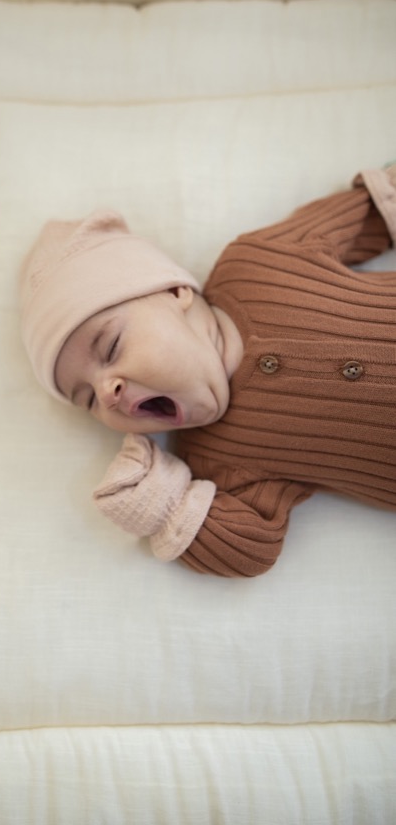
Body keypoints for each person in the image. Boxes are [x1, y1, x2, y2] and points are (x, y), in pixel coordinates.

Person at [20, 166, 396, 576]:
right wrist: (162, 503)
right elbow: (251, 548)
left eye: (110, 346)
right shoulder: (216, 464)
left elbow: (372, 212)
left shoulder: (258, 263)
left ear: (175, 292)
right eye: (88, 398)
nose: (107, 390)